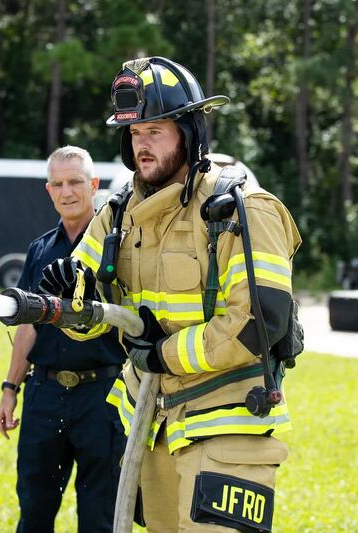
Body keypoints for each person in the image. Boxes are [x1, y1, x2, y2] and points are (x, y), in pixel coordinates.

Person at [41, 57, 302, 531]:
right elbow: (94, 308)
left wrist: (163, 354)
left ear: (190, 131)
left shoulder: (242, 211)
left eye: (155, 131)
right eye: (134, 134)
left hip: (227, 426)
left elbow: (257, 324)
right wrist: (71, 304)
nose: (141, 144)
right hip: (152, 425)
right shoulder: (119, 213)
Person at [0, 145, 128, 533]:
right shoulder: (39, 249)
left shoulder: (115, 247)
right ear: (48, 190)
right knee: (34, 512)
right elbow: (27, 326)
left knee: (99, 518)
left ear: (94, 185)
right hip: (44, 397)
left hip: (102, 399)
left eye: (76, 182)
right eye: (58, 184)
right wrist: (10, 388)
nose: (67, 191)